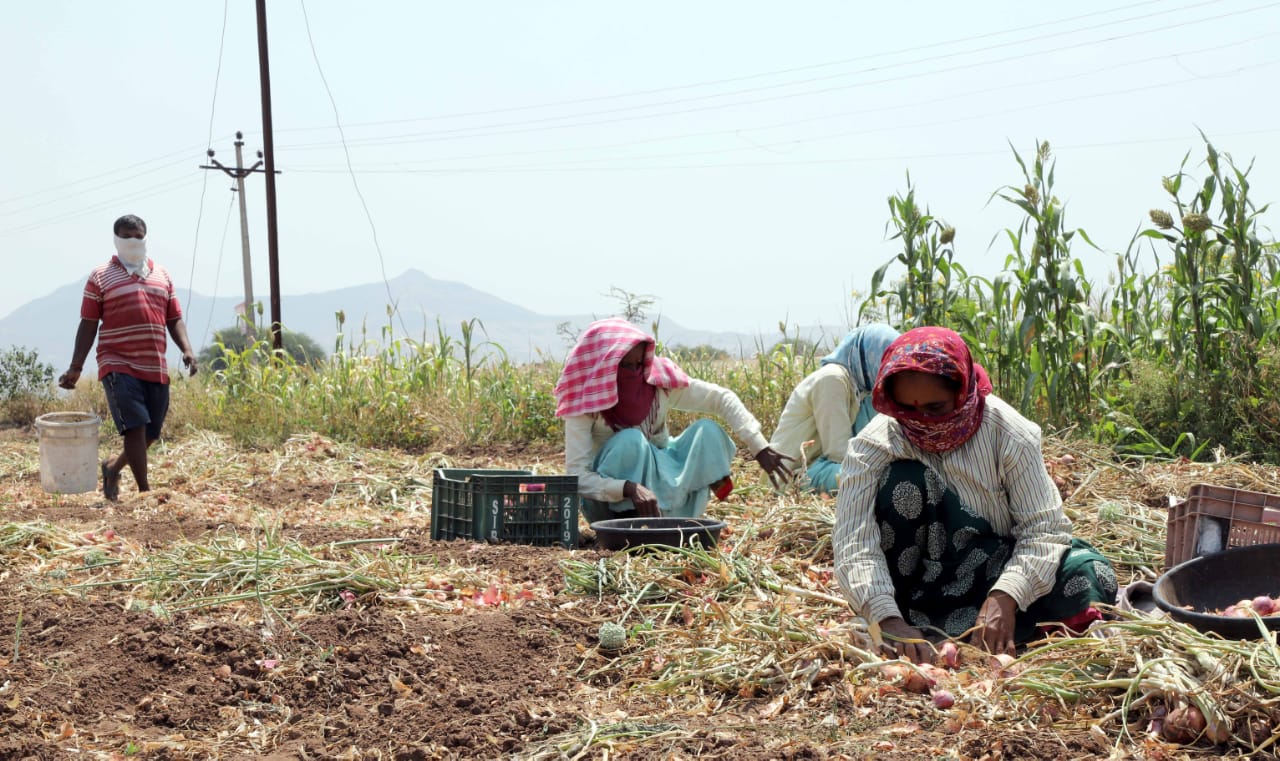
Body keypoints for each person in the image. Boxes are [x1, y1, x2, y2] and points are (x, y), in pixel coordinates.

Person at [832, 327, 1116, 663]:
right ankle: (910, 627)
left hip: (998, 568)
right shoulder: (873, 446)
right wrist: (888, 618)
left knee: (1089, 572)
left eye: (936, 408)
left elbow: (1045, 530)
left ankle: (1001, 624)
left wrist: (1005, 596)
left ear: (963, 390)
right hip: (915, 586)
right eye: (909, 411)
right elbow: (854, 542)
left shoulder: (1010, 433)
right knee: (902, 480)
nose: (923, 422)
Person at [555, 318, 792, 523]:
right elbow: (576, 478)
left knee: (706, 432)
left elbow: (721, 398)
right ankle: (631, 523)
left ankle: (678, 514)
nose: (635, 372)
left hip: (663, 485)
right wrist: (627, 488)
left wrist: (759, 446)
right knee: (630, 441)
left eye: (639, 364)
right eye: (626, 366)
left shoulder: (657, 385)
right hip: (610, 504)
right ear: (605, 367)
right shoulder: (584, 404)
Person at [57, 214, 198, 502]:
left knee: (151, 432)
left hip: (154, 363)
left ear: (145, 238)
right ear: (116, 239)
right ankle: (145, 492)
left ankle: (113, 467)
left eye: (138, 236)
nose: (133, 241)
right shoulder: (100, 276)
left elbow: (174, 318)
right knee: (135, 426)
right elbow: (88, 323)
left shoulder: (163, 275)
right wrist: (76, 366)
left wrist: (187, 349)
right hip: (116, 362)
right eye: (126, 236)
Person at [769, 324, 899, 494]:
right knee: (873, 476)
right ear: (871, 357)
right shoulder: (832, 379)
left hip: (822, 467)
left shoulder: (863, 391)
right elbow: (839, 454)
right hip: (794, 475)